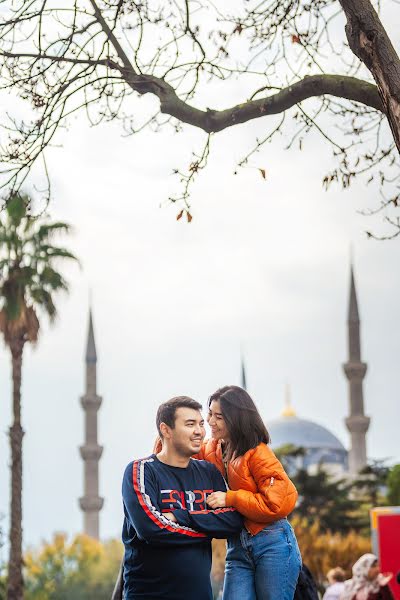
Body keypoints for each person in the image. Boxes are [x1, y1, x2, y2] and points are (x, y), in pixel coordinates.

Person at [171, 385, 302, 600]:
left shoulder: (258, 453)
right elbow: (179, 453)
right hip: (237, 546)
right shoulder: (212, 448)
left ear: (236, 419)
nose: (210, 422)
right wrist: (168, 437)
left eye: (219, 417)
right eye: (210, 414)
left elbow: (277, 505)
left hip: (272, 544)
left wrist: (230, 497)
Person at [122, 396, 244, 599]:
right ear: (166, 429)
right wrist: (207, 527)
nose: (199, 431)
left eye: (201, 424)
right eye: (190, 424)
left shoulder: (209, 472)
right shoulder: (140, 471)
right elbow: (151, 529)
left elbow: (232, 522)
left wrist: (180, 516)